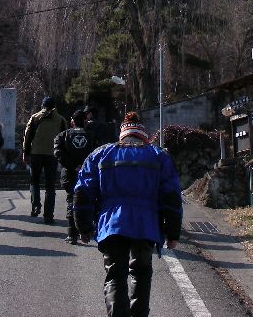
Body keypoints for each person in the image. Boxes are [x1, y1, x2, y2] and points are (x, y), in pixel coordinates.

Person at [73, 112, 182, 317]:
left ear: (122, 133)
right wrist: (173, 232)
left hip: (111, 224)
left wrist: (83, 227)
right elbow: (172, 196)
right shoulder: (158, 155)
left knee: (115, 274)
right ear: (143, 134)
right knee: (141, 272)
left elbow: (82, 191)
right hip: (146, 224)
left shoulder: (101, 154)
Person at [53, 108, 96, 244]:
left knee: (71, 201)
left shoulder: (62, 135)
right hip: (88, 174)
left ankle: (72, 234)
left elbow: (58, 153)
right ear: (85, 121)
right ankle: (88, 230)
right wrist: (84, 166)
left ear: (72, 122)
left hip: (69, 174)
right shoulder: (92, 136)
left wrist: (72, 166)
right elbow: (97, 153)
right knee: (89, 201)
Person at [23, 96, 67, 224]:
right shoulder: (61, 119)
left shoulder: (35, 117)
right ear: (55, 106)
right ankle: (48, 215)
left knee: (34, 181)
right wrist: (63, 156)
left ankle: (36, 204)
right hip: (52, 155)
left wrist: (25, 153)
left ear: (42, 105)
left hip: (36, 153)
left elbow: (28, 136)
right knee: (50, 186)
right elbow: (64, 138)